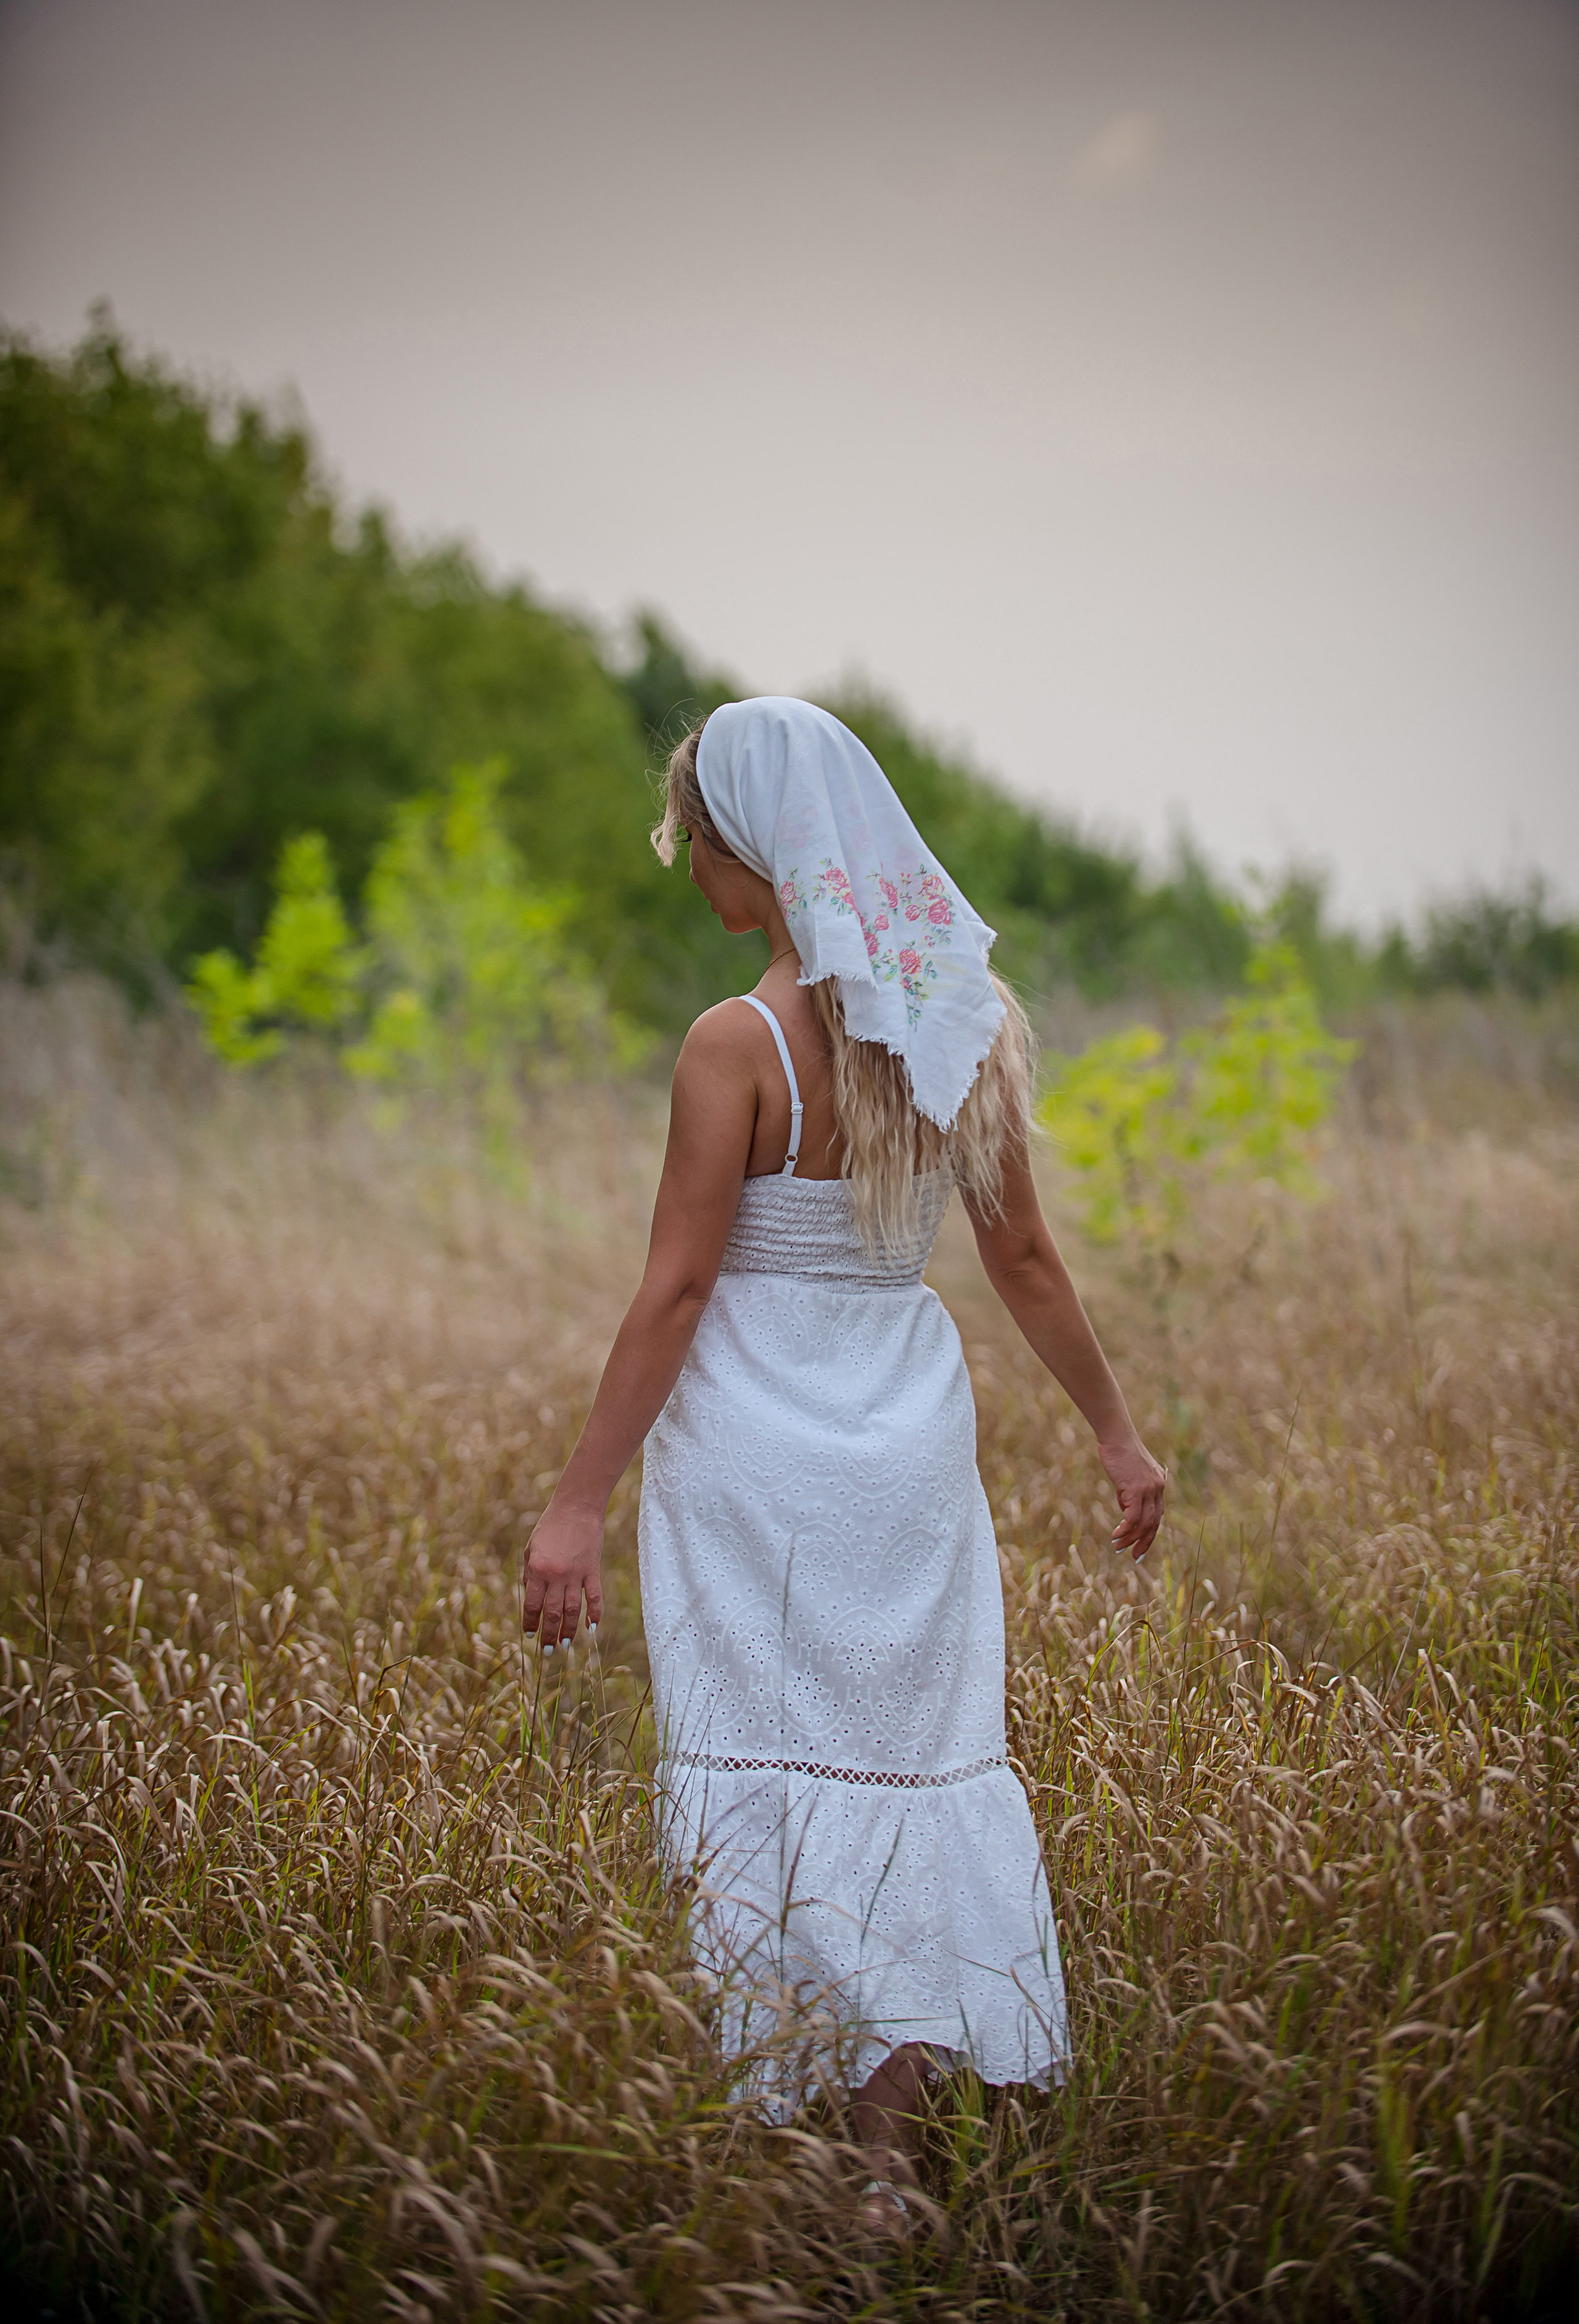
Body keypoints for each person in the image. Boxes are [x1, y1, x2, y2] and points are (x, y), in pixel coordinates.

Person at [522, 698, 1165, 2236]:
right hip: (904, 1451)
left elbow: (677, 1290)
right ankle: (885, 2169)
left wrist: (577, 1497)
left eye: (693, 834)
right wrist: (1112, 1429)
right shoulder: (961, 1020)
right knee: (904, 1767)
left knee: (765, 1765)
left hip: (751, 1451)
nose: (688, 861)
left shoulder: (731, 1046)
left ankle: (795, 2147)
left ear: (747, 847)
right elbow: (1019, 1259)